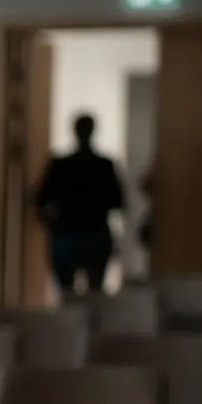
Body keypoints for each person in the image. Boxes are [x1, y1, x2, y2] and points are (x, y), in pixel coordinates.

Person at [34, 113, 126, 298]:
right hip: (93, 232)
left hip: (68, 233)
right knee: (93, 293)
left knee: (67, 294)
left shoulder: (61, 165)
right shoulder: (103, 165)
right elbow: (118, 202)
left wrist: (49, 223)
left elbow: (40, 200)